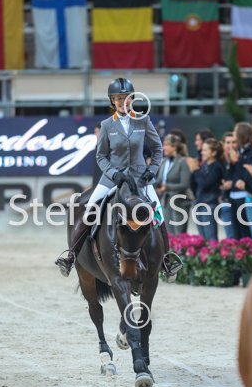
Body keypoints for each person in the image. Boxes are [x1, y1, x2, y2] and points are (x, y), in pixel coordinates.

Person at [55, 78, 182, 280]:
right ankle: (71, 256)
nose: (123, 102)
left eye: (127, 98)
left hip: (140, 179)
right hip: (113, 178)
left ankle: (167, 259)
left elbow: (158, 149)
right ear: (113, 101)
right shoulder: (107, 125)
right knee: (90, 210)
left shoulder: (143, 120)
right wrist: (114, 174)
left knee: (158, 213)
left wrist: (152, 170)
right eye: (119, 98)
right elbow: (100, 156)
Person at [155, 134, 191, 235]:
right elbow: (159, 180)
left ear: (174, 147)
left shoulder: (182, 162)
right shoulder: (164, 161)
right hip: (165, 202)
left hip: (178, 203)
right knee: (168, 234)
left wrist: (167, 187)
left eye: (166, 145)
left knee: (179, 234)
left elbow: (185, 184)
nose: (164, 148)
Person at [191, 138, 224, 241]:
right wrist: (194, 172)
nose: (202, 152)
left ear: (213, 152)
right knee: (202, 238)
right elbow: (193, 184)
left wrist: (196, 170)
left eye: (205, 150)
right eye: (202, 150)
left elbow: (205, 184)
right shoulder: (204, 165)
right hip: (199, 202)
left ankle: (213, 251)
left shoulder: (217, 166)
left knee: (210, 237)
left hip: (209, 204)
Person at [230, 122, 252, 238]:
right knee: (236, 231)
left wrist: (236, 161)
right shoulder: (238, 150)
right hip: (234, 194)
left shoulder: (251, 151)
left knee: (245, 231)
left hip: (245, 194)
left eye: (235, 131)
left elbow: (245, 172)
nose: (233, 134)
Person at [220, 131, 236, 239]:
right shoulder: (220, 161)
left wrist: (233, 182)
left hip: (239, 201)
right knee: (231, 235)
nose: (231, 145)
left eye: (233, 142)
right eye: (228, 142)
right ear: (223, 144)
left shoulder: (239, 159)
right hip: (225, 201)